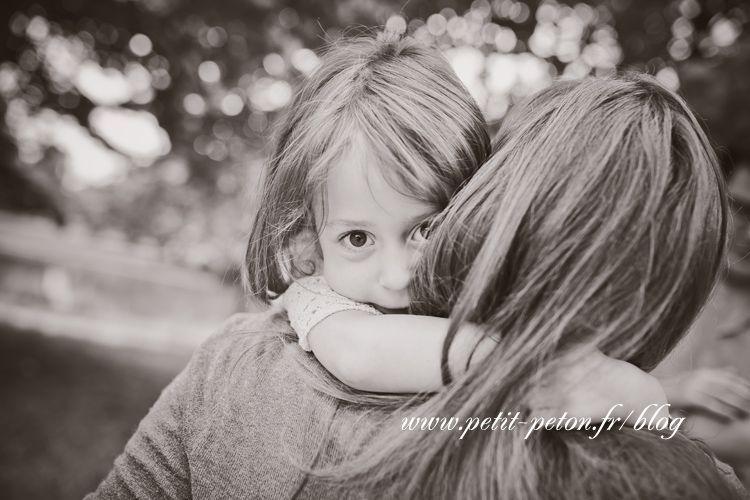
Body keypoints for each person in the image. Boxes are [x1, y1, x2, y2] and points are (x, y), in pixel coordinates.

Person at [85, 35, 747, 500]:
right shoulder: (318, 319)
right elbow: (362, 349)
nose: (399, 273)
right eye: (356, 239)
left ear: (479, 202)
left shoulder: (236, 361)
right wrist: (578, 375)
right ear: (309, 243)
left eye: (427, 228)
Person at [654, 158, 750, 486]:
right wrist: (668, 391)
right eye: (742, 208)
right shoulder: (651, 289)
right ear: (717, 197)